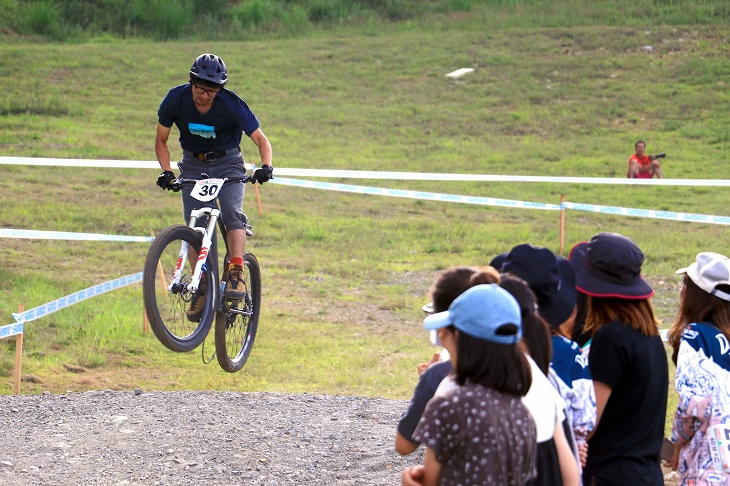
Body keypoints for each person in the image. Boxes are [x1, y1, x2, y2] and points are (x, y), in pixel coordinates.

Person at [154, 53, 273, 321]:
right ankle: (203, 284)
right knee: (195, 225)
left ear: (219, 90)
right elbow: (161, 141)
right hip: (193, 165)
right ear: (191, 82)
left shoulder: (232, 105)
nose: (204, 95)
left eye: (210, 90)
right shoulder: (176, 99)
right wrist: (166, 171)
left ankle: (237, 273)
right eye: (199, 88)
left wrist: (266, 166)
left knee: (231, 213)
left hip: (228, 163)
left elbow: (262, 140)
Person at [402, 284, 537, 485]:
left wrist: (410, 481)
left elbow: (431, 481)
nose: (441, 334)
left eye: (448, 329)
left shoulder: (448, 406)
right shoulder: (523, 414)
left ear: (462, 340)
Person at [574, 232, 668, 485]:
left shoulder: (611, 338)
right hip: (647, 475)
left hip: (612, 475)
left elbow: (588, 422)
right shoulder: (651, 336)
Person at [500, 244, 596, 460]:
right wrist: (575, 445)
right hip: (559, 464)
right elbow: (586, 419)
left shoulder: (491, 349)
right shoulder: (570, 351)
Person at [395, 266, 500, 456]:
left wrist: (427, 382)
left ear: (442, 327)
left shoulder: (439, 376)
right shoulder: (522, 366)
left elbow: (404, 446)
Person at [667, 252, 730, 485]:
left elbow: (694, 406)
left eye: (685, 285)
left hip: (711, 465)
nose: (681, 292)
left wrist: (677, 441)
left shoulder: (697, 335)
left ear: (698, 296)